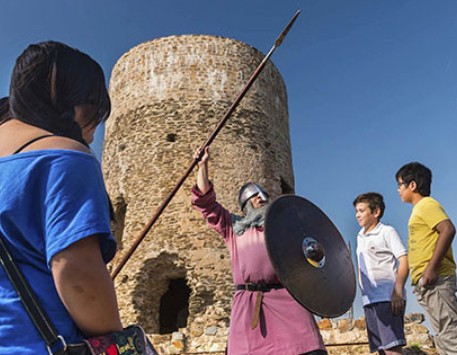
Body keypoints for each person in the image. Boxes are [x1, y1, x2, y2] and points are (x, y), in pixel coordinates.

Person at [0, 41, 123, 354]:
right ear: (71, 101)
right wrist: (118, 342)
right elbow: (76, 274)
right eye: (96, 110)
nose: (95, 130)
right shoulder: (64, 157)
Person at [191, 147, 326, 355]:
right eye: (255, 197)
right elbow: (207, 204)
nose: (262, 199)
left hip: (287, 301)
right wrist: (202, 166)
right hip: (249, 305)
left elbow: (309, 260)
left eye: (264, 195)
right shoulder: (233, 227)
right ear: (245, 205)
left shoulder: (284, 229)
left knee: (308, 349)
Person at [396, 162, 457, 354]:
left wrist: (430, 269)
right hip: (429, 284)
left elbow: (448, 229)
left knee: (449, 335)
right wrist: (418, 280)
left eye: (400, 185)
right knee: (442, 336)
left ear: (412, 185)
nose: (398, 190)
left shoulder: (426, 204)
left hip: (437, 279)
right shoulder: (418, 210)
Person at [353, 192, 409, 354]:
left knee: (393, 348)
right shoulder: (359, 236)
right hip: (369, 300)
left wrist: (397, 291)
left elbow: (404, 260)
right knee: (381, 350)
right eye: (356, 211)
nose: (357, 215)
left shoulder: (387, 231)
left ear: (376, 212)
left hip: (387, 298)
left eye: (362, 211)